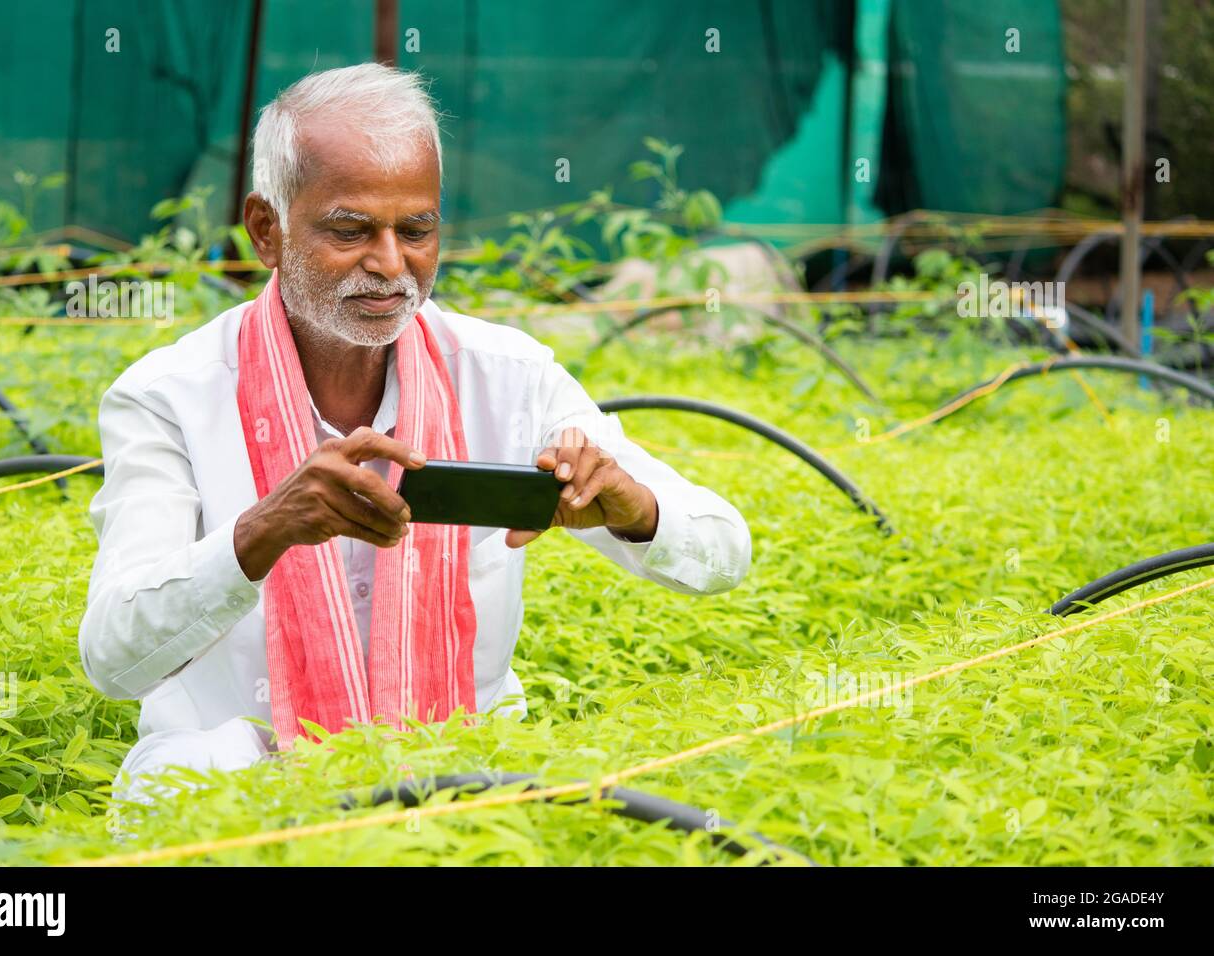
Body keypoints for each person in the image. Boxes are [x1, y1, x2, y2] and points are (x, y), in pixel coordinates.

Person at [78, 63, 752, 805]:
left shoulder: (506, 376)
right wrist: (261, 532)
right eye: (351, 229)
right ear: (267, 231)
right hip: (229, 787)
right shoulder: (169, 397)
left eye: (417, 229)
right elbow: (114, 657)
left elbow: (725, 550)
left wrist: (635, 509)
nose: (391, 265)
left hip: (464, 781)